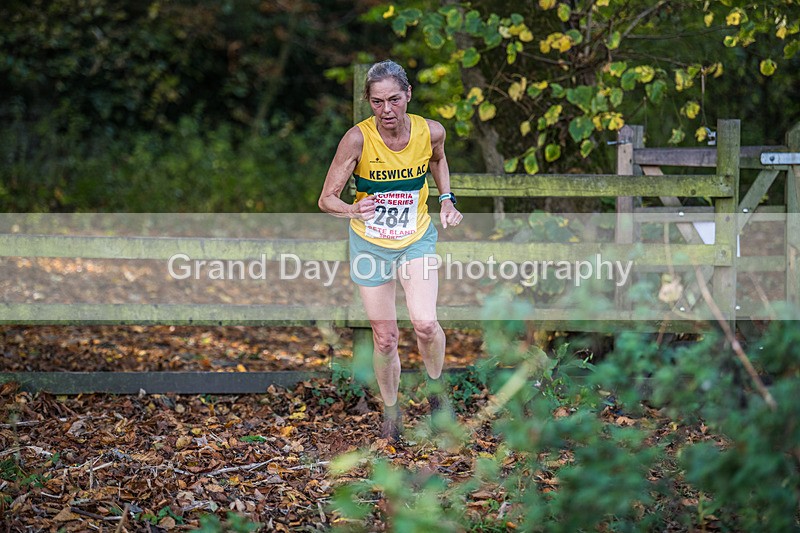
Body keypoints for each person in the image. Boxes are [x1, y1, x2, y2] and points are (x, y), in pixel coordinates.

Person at [318, 59, 463, 442]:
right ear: (369, 102)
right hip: (371, 244)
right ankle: (392, 411)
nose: (387, 111)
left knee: (426, 323)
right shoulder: (357, 139)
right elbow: (325, 199)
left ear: (408, 95)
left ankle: (436, 396)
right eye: (378, 102)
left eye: (394, 100)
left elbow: (439, 159)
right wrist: (352, 209)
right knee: (384, 338)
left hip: (416, 238)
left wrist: (447, 199)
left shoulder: (431, 131)